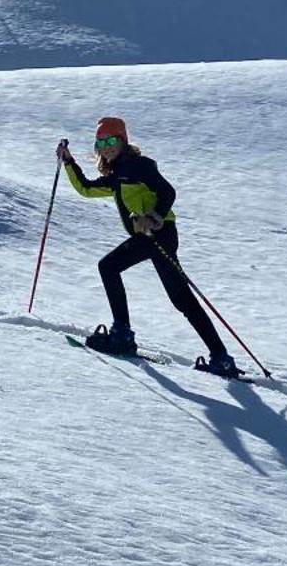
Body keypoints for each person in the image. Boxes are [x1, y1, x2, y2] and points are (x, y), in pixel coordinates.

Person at [58, 117, 238, 377]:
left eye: (111, 140)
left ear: (123, 141)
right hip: (156, 237)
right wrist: (68, 161)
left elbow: (168, 192)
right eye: (101, 142)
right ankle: (221, 359)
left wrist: (153, 217)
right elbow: (86, 188)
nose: (106, 146)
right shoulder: (117, 175)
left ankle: (122, 335)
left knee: (108, 266)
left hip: (158, 234)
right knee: (182, 299)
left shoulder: (139, 166)